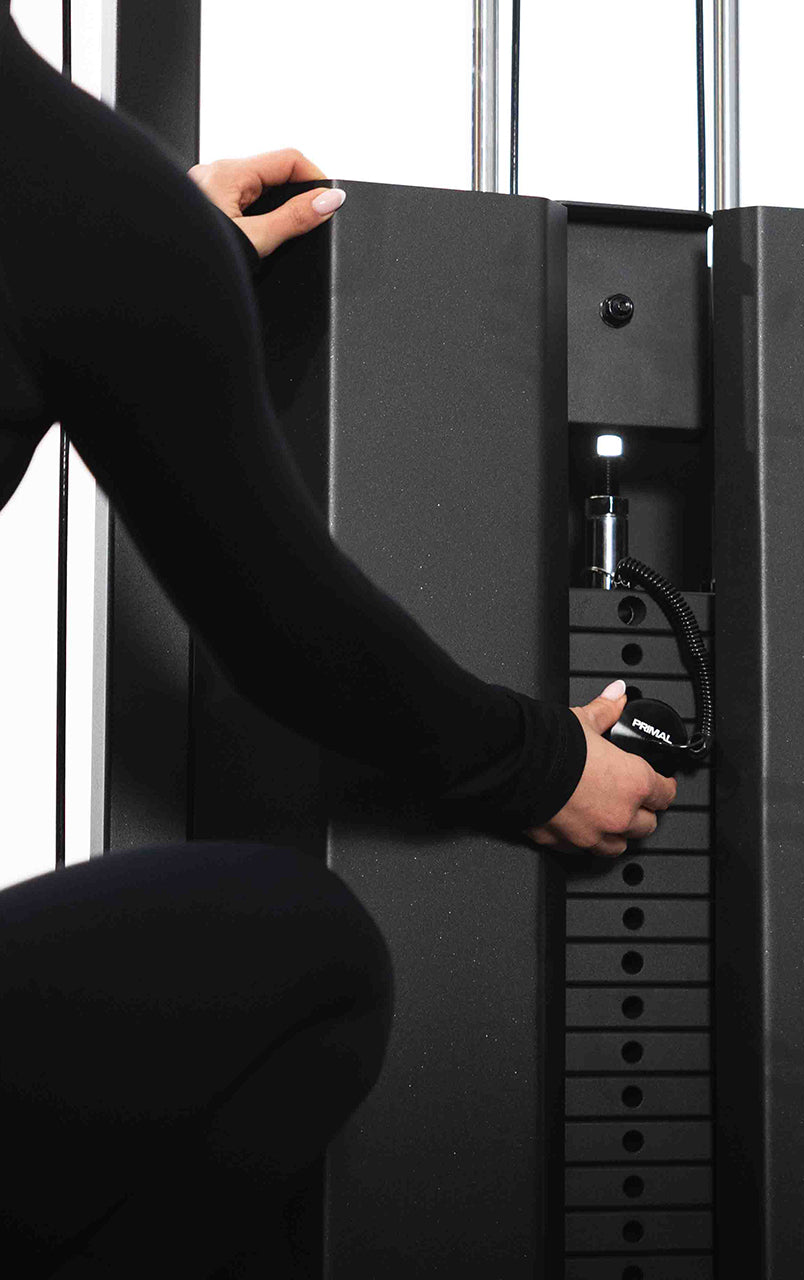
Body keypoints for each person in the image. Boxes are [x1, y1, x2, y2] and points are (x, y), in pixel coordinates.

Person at [0, 8, 675, 1276]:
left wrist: (158, 271)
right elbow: (283, 628)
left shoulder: (84, 215)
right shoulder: (63, 186)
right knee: (307, 958)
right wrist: (538, 763)